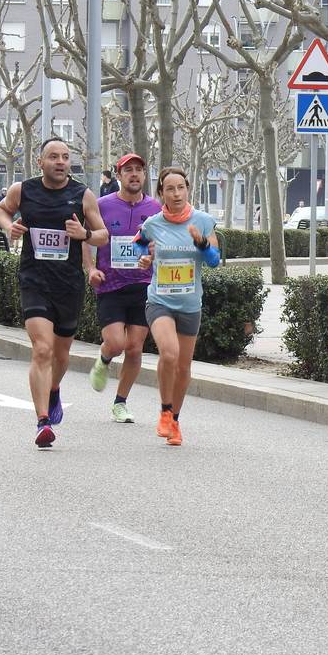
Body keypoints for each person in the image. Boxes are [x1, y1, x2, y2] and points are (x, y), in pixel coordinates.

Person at [0, 138, 109, 448]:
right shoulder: (23, 190)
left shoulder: (82, 195)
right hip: (34, 281)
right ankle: (42, 421)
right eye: (54, 157)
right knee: (42, 349)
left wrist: (83, 233)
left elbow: (102, 235)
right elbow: (2, 210)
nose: (60, 161)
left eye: (65, 157)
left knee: (60, 353)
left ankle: (54, 388)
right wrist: (10, 226)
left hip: (68, 285)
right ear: (40, 162)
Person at [134, 166, 221, 447]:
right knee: (169, 354)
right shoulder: (152, 224)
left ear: (187, 189)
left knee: (183, 367)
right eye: (169, 189)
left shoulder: (203, 221)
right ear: (161, 193)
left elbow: (214, 261)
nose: (176, 193)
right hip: (159, 301)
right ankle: (164, 411)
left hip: (190, 303)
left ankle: (175, 420)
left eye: (180, 187)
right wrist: (144, 259)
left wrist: (202, 244)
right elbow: (139, 246)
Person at [84, 153, 162, 423]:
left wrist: (152, 254)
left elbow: (160, 243)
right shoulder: (103, 205)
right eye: (128, 170)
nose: (134, 174)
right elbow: (85, 238)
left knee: (134, 347)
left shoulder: (155, 208)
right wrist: (91, 269)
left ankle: (120, 402)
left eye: (139, 170)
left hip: (143, 284)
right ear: (118, 176)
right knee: (117, 343)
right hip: (111, 284)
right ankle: (104, 359)